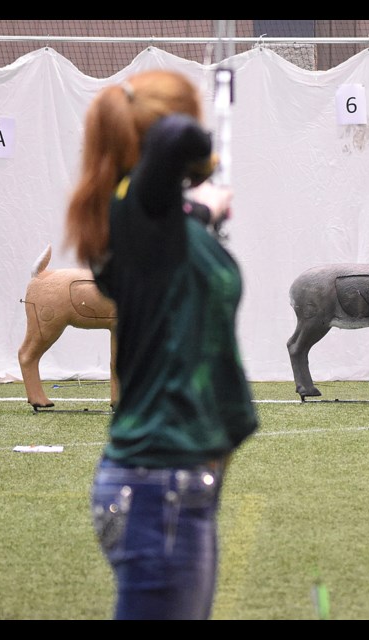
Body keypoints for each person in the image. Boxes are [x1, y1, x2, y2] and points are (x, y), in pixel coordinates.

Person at [64, 69, 259, 620]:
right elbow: (179, 140)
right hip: (159, 486)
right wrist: (206, 164)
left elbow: (167, 231)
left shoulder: (148, 220)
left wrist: (201, 206)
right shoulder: (133, 208)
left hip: (169, 481)